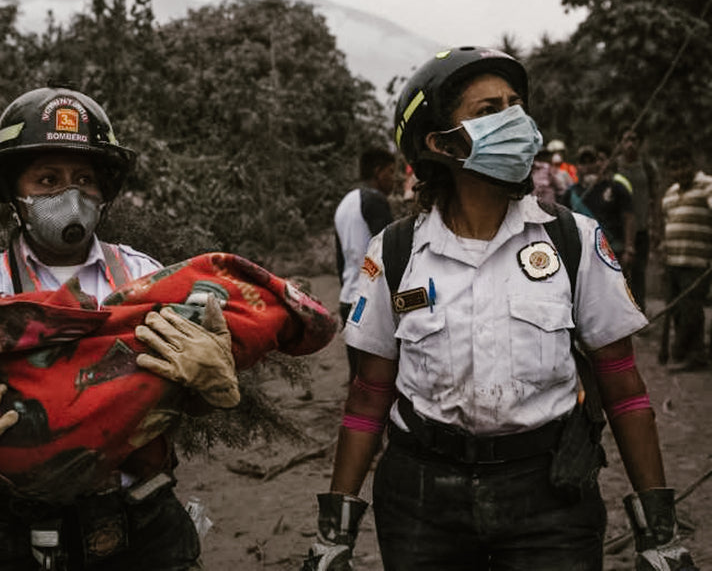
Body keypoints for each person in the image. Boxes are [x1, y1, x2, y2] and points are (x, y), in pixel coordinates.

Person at [302, 47, 693, 570]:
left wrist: (658, 533)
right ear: (441, 143)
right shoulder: (395, 253)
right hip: (422, 500)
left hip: (550, 497)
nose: (515, 120)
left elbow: (623, 386)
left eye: (516, 105)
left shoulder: (572, 240)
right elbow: (369, 395)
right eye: (489, 112)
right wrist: (335, 535)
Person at [0, 86, 238, 570]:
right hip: (11, 531)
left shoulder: (145, 279)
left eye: (84, 178)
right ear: (14, 192)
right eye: (47, 179)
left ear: (103, 191)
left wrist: (207, 385)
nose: (69, 195)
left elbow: (175, 396)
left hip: (137, 526)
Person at [334, 147, 396, 381]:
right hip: (369, 303)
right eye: (391, 172)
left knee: (358, 376)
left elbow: (340, 260)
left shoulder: (345, 203)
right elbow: (390, 252)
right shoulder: (375, 200)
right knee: (378, 378)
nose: (393, 179)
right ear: (378, 172)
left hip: (349, 300)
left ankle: (355, 418)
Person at [660, 145, 712, 371]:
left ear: (692, 165)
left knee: (692, 308)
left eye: (683, 166)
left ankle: (690, 354)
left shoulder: (707, 185)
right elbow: (667, 222)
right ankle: (692, 352)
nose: (680, 171)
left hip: (697, 260)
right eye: (674, 168)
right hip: (674, 260)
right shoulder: (670, 194)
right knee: (678, 309)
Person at [563, 144, 636, 273]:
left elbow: (628, 217)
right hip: (584, 255)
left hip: (613, 251)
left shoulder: (615, 188)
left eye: (591, 161)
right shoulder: (571, 194)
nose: (588, 166)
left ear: (599, 163)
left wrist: (629, 248)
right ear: (578, 167)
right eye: (583, 163)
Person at [616, 128, 660, 311]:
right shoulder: (614, 166)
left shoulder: (648, 167)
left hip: (641, 229)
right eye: (626, 140)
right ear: (619, 143)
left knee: (639, 273)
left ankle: (639, 312)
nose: (630, 144)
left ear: (640, 143)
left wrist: (656, 227)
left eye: (634, 139)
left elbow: (655, 198)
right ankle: (620, 313)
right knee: (618, 275)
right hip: (618, 230)